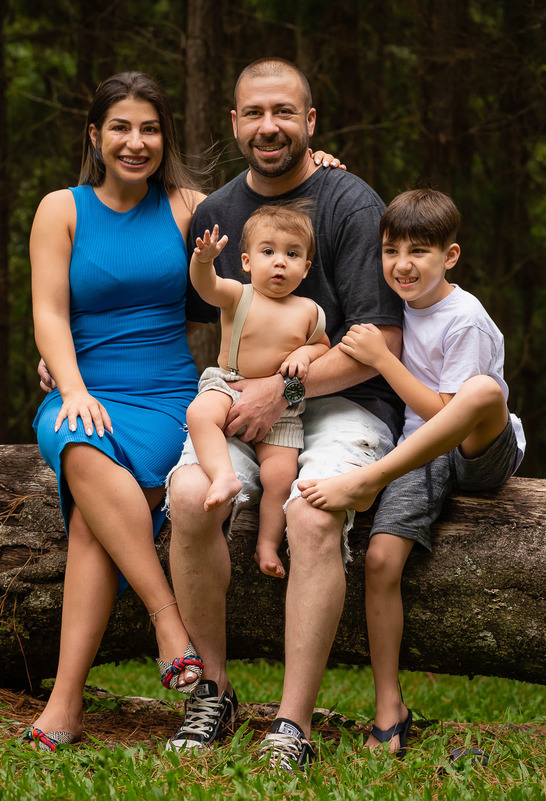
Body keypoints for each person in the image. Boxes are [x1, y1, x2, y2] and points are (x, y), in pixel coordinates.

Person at [164, 57, 405, 771]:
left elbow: (379, 344)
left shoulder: (351, 203)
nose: (269, 127)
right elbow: (182, 306)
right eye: (254, 114)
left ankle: (291, 725)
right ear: (235, 123)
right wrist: (67, 359)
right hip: (239, 396)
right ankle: (213, 690)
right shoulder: (214, 215)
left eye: (284, 112)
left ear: (310, 122)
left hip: (347, 401)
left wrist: (285, 392)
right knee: (186, 496)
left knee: (310, 510)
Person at [298, 188, 526, 757]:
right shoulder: (395, 305)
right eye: (389, 250)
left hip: (478, 449)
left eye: (418, 251)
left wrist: (382, 361)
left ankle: (369, 480)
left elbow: (448, 414)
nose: (401, 264)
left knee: (479, 390)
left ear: (450, 256)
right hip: (416, 450)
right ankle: (388, 706)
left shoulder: (464, 317)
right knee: (379, 561)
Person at [22, 71, 208, 753]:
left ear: (166, 137)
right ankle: (168, 624)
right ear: (95, 137)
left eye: (150, 128)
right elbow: (48, 311)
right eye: (121, 128)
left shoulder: (190, 206)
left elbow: (275, 226)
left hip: (167, 397)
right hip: (85, 387)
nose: (137, 142)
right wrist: (71, 386)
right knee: (76, 442)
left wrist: (319, 162)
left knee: (92, 528)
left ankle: (65, 704)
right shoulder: (61, 208)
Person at [186, 204, 330, 579]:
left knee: (281, 476)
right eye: (269, 252)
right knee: (199, 414)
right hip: (229, 383)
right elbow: (207, 286)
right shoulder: (239, 295)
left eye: (292, 254)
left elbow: (322, 347)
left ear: (306, 268)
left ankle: (267, 543)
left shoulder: (309, 310)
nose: (280, 263)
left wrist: (304, 351)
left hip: (281, 408)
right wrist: (204, 262)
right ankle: (223, 475)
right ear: (247, 261)